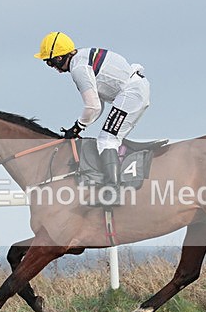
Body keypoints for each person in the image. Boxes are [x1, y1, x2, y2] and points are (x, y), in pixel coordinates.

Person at [34, 31, 151, 205]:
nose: (51, 66)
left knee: (107, 140)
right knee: (109, 138)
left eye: (49, 61)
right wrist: (79, 127)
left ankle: (113, 192)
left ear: (59, 58)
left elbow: (92, 106)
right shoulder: (81, 58)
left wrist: (76, 128)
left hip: (131, 93)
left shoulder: (78, 69)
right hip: (133, 90)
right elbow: (98, 105)